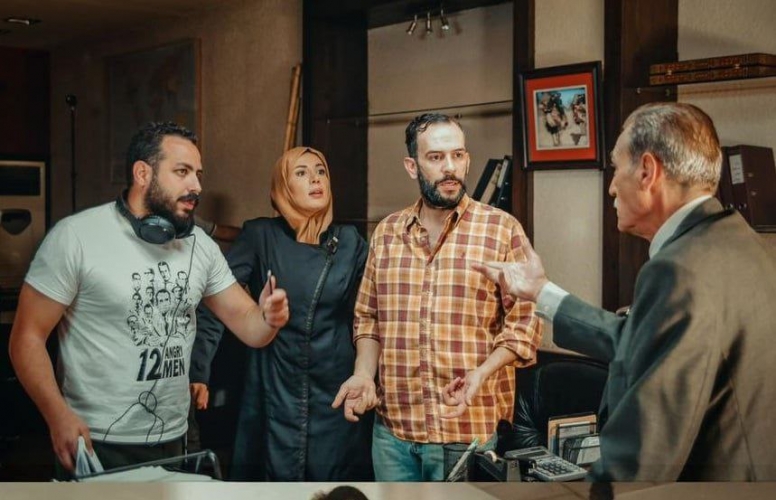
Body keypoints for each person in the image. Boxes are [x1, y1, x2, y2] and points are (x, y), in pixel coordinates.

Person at [474, 102, 776, 481]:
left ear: (647, 171)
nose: (612, 187)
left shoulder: (677, 271)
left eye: (616, 168)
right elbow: (646, 341)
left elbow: (640, 460)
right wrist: (540, 292)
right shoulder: (744, 244)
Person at [8, 121, 289, 476]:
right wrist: (56, 414)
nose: (196, 186)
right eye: (182, 172)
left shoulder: (200, 246)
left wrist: (269, 318)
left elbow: (250, 328)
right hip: (94, 440)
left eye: (198, 174)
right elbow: (27, 338)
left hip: (174, 437)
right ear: (143, 173)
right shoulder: (76, 237)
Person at [332, 113, 543, 481]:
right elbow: (368, 318)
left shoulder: (500, 229)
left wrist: (482, 373)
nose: (450, 168)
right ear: (412, 166)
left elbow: (524, 325)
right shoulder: (387, 233)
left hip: (467, 431)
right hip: (393, 432)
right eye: (435, 157)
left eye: (458, 155)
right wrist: (364, 374)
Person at [191, 146, 373, 481]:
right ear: (283, 187)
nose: (315, 179)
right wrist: (199, 371)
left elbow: (372, 313)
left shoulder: (350, 242)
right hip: (274, 383)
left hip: (335, 386)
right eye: (301, 173)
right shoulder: (260, 235)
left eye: (320, 171)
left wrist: (371, 375)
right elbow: (217, 304)